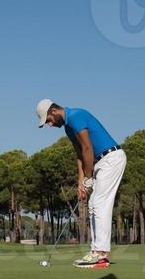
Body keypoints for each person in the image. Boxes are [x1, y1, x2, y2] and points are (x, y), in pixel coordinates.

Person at [35, 99, 127, 269]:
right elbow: (80, 154)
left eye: (48, 120)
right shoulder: (68, 128)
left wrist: (89, 177)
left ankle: (100, 255)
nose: (49, 124)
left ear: (54, 111)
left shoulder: (76, 116)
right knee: (93, 204)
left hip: (111, 158)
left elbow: (87, 149)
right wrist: (81, 181)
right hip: (99, 162)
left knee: (99, 203)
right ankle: (96, 251)